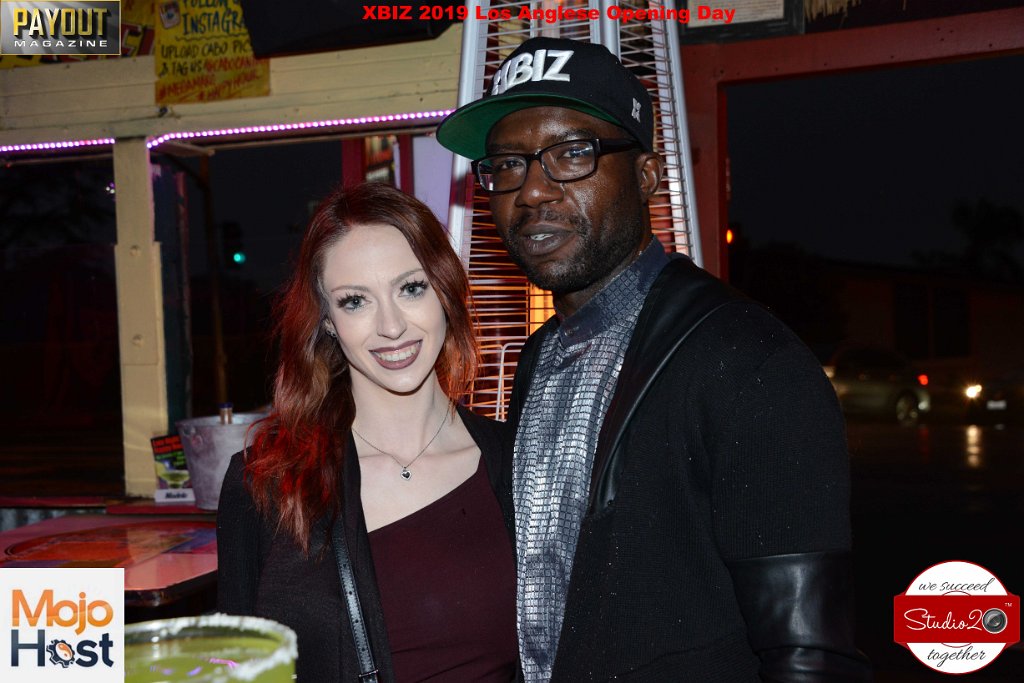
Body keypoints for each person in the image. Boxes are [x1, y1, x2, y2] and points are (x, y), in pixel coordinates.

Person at [436, 37, 872, 681]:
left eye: (571, 154)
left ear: (646, 176)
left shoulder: (747, 363)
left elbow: (809, 658)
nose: (532, 192)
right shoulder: (541, 357)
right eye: (507, 165)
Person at [216, 182, 517, 682]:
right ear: (328, 321)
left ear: (445, 290)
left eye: (411, 288)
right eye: (355, 301)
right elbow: (235, 671)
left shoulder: (521, 464)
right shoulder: (266, 484)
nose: (391, 326)